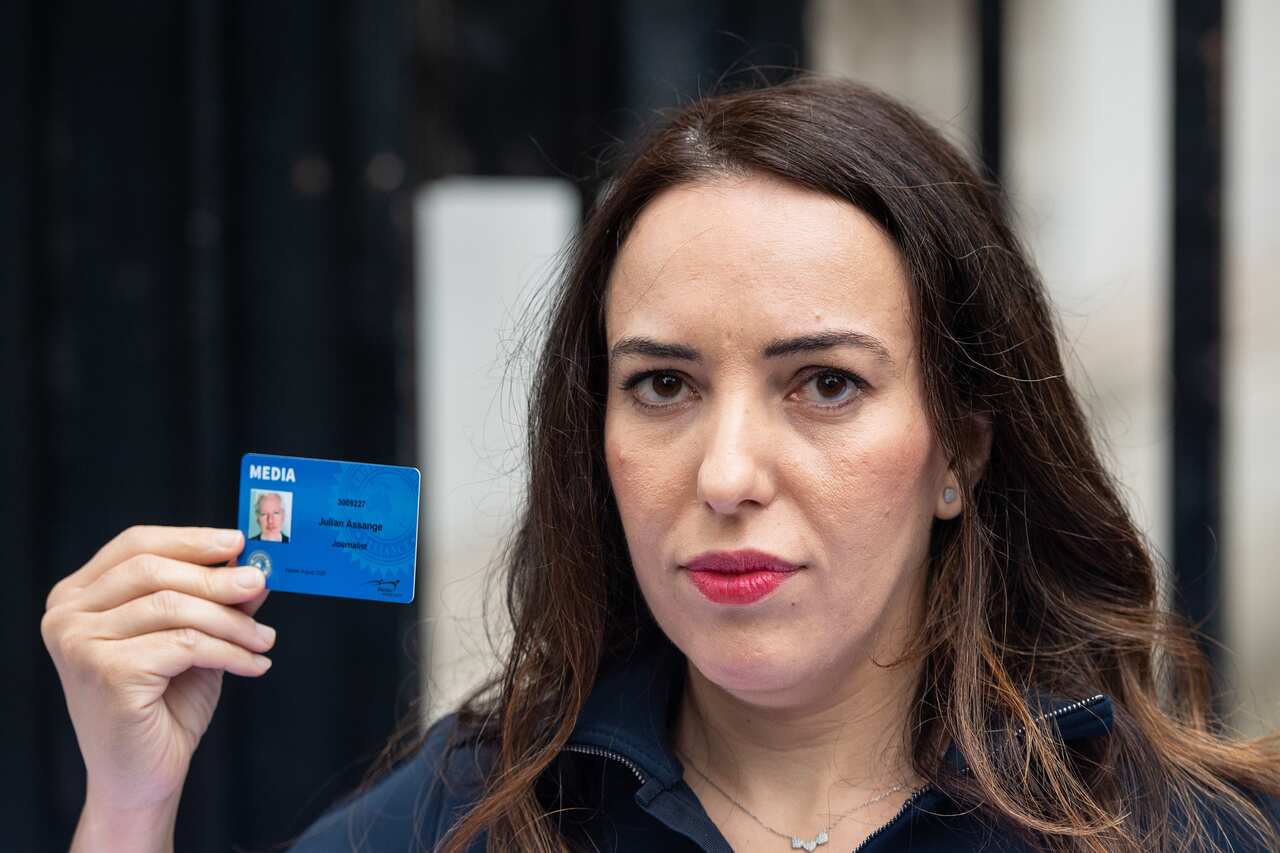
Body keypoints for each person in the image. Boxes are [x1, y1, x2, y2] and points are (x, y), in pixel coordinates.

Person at [41, 74, 1280, 852]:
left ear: (956, 447)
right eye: (663, 386)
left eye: (824, 384)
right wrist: (131, 808)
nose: (725, 471)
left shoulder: (1169, 834)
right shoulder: (457, 823)